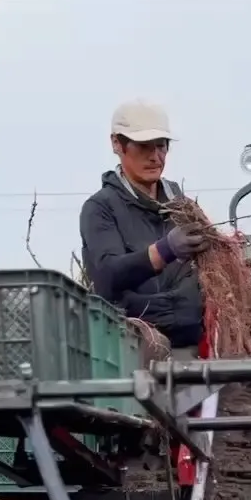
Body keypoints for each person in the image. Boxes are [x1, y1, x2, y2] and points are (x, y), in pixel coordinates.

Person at [80, 101, 208, 354]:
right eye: (143, 146)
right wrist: (165, 250)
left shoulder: (182, 206)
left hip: (191, 342)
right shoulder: (100, 208)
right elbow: (108, 276)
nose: (154, 157)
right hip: (134, 348)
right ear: (117, 144)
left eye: (160, 146)